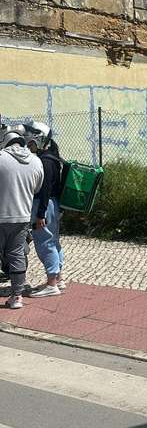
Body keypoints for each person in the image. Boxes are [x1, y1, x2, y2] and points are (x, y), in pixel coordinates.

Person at [0, 125, 43, 309]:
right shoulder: (35, 161)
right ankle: (17, 296)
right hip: (22, 216)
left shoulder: (1, 158)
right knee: (16, 253)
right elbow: (37, 188)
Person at [25, 123, 66, 297]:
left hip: (45, 206)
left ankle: (51, 285)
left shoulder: (45, 161)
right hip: (53, 204)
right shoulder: (53, 157)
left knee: (45, 243)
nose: (28, 145)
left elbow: (45, 190)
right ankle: (58, 278)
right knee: (54, 242)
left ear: (40, 139)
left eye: (31, 142)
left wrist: (40, 214)